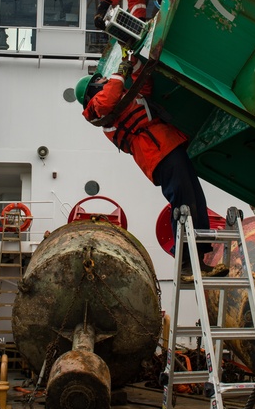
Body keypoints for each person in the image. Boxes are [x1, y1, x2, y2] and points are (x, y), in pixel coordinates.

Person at [74, 60, 222, 277]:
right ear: (92, 91)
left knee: (196, 200)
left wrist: (132, 64)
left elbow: (144, 86)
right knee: (182, 203)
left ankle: (199, 259)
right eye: (100, 80)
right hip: (157, 152)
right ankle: (185, 263)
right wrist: (119, 73)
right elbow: (107, 100)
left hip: (168, 145)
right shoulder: (98, 109)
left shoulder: (120, 97)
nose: (105, 80)